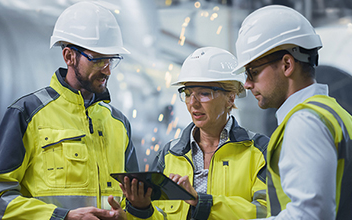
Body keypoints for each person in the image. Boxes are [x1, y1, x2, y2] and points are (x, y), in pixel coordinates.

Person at [0, 2, 138, 220]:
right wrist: (63, 216)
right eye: (98, 60)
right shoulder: (27, 114)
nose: (107, 70)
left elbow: (133, 203)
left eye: (111, 60)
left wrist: (133, 213)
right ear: (69, 56)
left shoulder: (119, 123)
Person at [233, 5, 352, 220]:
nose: (248, 84)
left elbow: (310, 214)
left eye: (253, 72)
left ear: (287, 64)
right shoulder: (334, 114)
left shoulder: (304, 123)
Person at [121, 47, 269, 220]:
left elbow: (266, 212)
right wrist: (141, 209)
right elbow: (159, 215)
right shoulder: (170, 154)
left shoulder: (258, 151)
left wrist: (202, 202)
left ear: (231, 98)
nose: (193, 103)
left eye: (204, 94)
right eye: (188, 93)